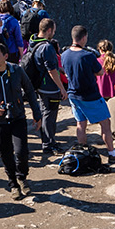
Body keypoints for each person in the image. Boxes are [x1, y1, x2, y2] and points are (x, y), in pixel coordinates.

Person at [0, 38, 43, 199]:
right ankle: (13, 183)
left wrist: (37, 115)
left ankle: (22, 177)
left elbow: (30, 91)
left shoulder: (17, 70)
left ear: (5, 56)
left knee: (22, 152)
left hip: (17, 117)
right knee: (5, 154)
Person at [59, 25, 115, 157]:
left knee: (80, 124)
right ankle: (112, 154)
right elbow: (100, 72)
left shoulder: (65, 54)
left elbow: (63, 70)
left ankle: (83, 152)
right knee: (105, 124)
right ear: (84, 37)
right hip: (91, 95)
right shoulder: (88, 55)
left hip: (73, 94)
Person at [27, 17, 65, 156]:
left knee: (45, 113)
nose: (54, 33)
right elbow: (51, 70)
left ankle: (48, 141)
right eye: (53, 30)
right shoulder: (47, 47)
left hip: (39, 84)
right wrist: (61, 87)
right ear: (49, 30)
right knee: (50, 115)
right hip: (49, 86)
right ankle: (49, 144)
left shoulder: (33, 41)